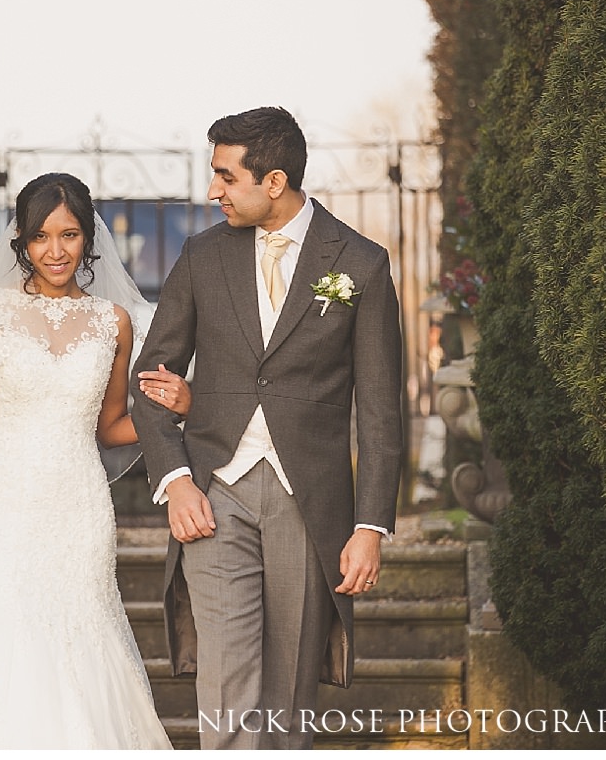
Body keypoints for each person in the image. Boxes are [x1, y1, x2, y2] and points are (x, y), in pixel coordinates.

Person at [132, 107, 403, 750]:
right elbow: (151, 381)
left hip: (306, 502)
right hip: (213, 492)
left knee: (288, 694)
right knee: (225, 688)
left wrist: (370, 527)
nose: (213, 191)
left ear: (274, 180)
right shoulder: (200, 256)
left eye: (226, 176)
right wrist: (175, 481)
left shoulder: (360, 265)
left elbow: (382, 412)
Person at [0, 172, 188, 749]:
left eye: (69, 235)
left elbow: (111, 427)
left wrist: (169, 410)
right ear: (21, 242)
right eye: (41, 237)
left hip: (79, 508)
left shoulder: (113, 323)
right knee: (0, 639)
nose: (56, 250)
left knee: (80, 639)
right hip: (2, 506)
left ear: (90, 238)